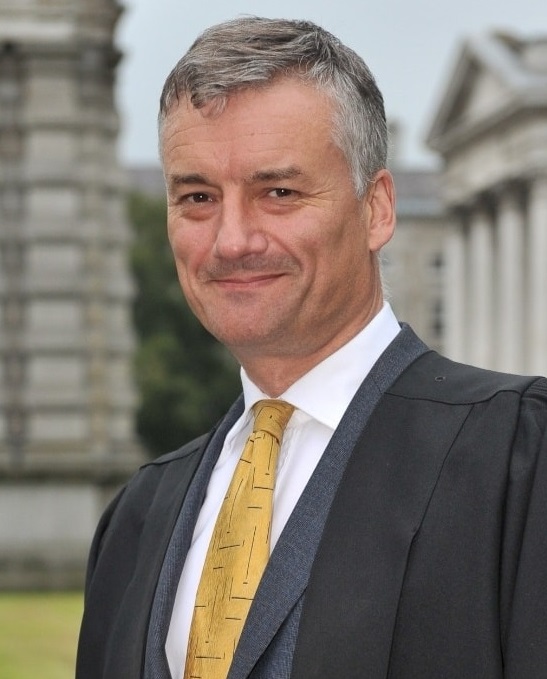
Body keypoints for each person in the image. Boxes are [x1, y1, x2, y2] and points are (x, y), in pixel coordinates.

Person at [76, 17, 547, 679]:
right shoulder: (137, 516)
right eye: (198, 197)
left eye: (278, 192)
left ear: (376, 208)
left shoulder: (520, 459)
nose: (232, 240)